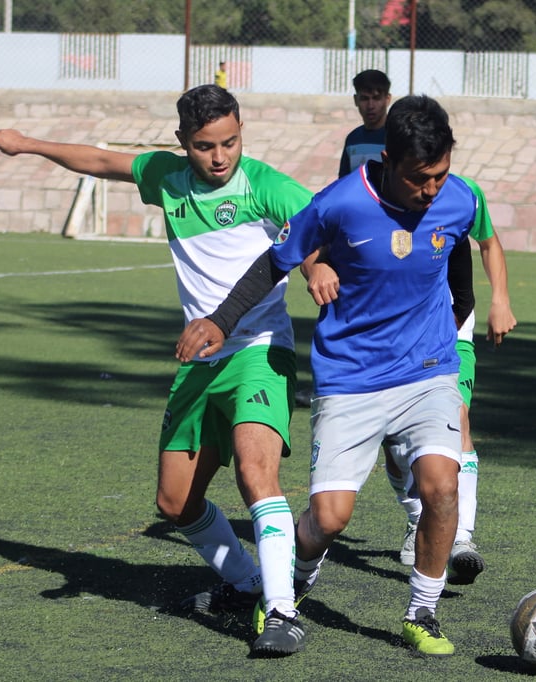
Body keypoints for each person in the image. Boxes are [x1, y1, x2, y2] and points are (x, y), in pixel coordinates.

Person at [0, 85, 312, 657]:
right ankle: (247, 582)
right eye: (205, 146)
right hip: (198, 361)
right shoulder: (165, 176)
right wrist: (27, 145)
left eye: (230, 142)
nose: (219, 157)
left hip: (261, 349)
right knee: (174, 503)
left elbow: (316, 230)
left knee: (255, 473)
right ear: (182, 142)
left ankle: (282, 610)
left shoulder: (267, 185)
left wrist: (318, 267)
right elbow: (99, 160)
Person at [175, 95, 508, 656]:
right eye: (418, 179)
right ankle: (296, 579)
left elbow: (457, 259)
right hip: (351, 378)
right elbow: (274, 263)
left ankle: (421, 611)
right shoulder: (339, 203)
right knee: (329, 518)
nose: (431, 191)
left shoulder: (457, 196)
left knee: (441, 486)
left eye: (440, 175)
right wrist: (220, 320)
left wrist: (456, 321)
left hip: (429, 373)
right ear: (388, 160)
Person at [325, 70, 515, 584]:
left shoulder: (462, 195)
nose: (428, 187)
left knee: (458, 423)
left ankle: (462, 538)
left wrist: (499, 298)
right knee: (395, 442)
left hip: (451, 323)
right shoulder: (356, 167)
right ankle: (419, 520)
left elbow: (489, 242)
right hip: (386, 323)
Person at [338, 69, 391, 178]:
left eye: (376, 98)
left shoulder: (396, 138)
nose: (370, 105)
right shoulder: (352, 140)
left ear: (387, 99)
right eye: (364, 99)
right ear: (356, 100)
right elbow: (343, 183)